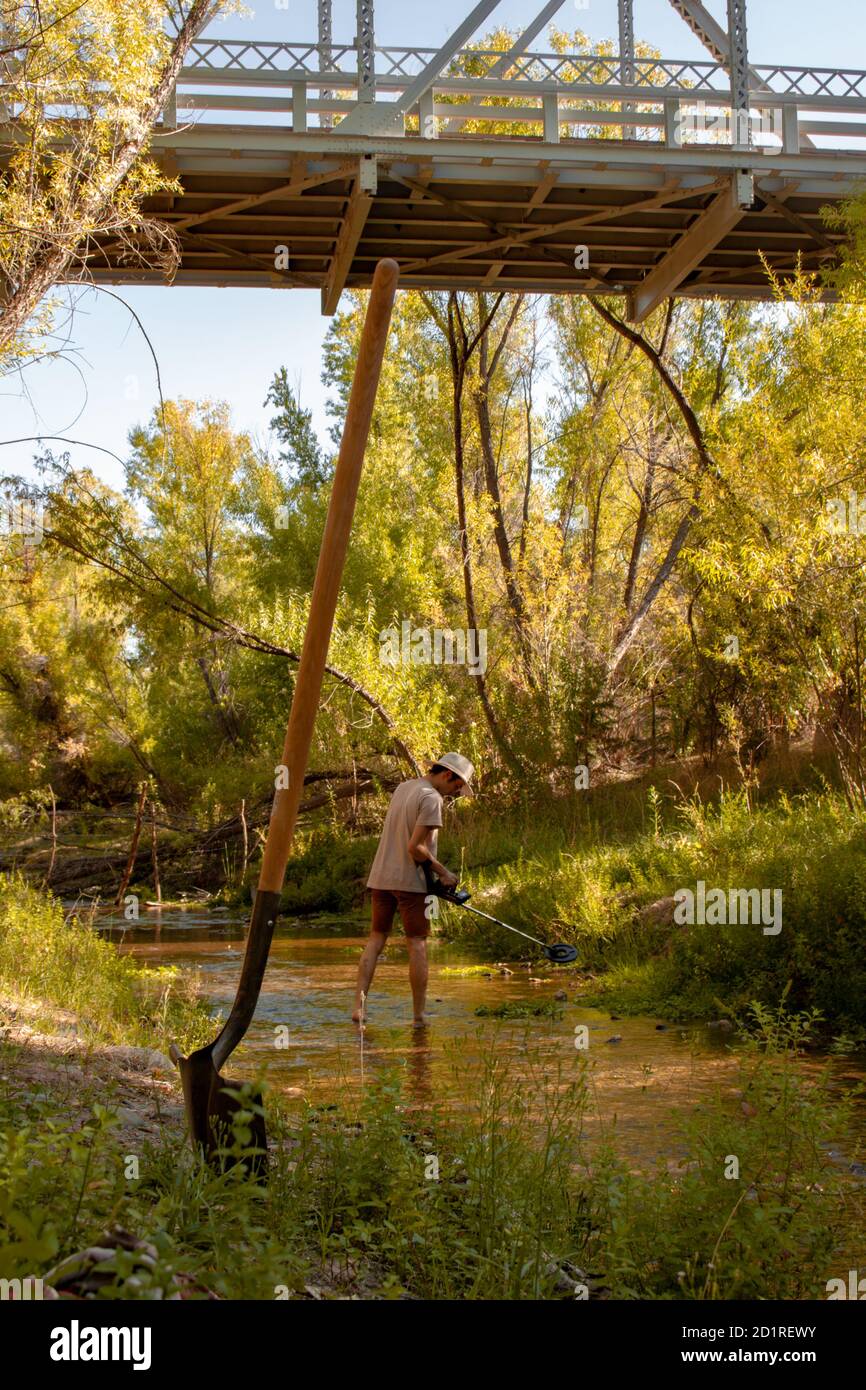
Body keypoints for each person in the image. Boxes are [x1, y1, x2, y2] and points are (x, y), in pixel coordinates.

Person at [352, 752, 474, 1028]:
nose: (456, 792)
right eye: (456, 786)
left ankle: (358, 1009)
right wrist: (444, 873)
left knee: (376, 939)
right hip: (409, 882)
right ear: (447, 775)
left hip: (381, 877)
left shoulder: (405, 787)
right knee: (417, 944)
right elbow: (415, 847)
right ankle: (419, 1016)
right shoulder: (432, 799)